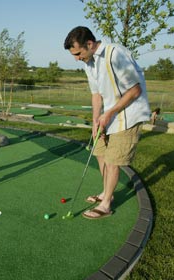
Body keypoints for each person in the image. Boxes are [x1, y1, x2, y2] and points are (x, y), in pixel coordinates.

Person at [64, 26, 151, 219]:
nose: (76, 58)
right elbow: (96, 94)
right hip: (109, 116)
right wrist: (96, 120)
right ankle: (106, 192)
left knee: (113, 161)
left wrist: (110, 112)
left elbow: (135, 90)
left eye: (78, 53)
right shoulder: (89, 64)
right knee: (100, 152)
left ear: (89, 44)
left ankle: (106, 205)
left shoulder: (115, 53)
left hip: (129, 114)